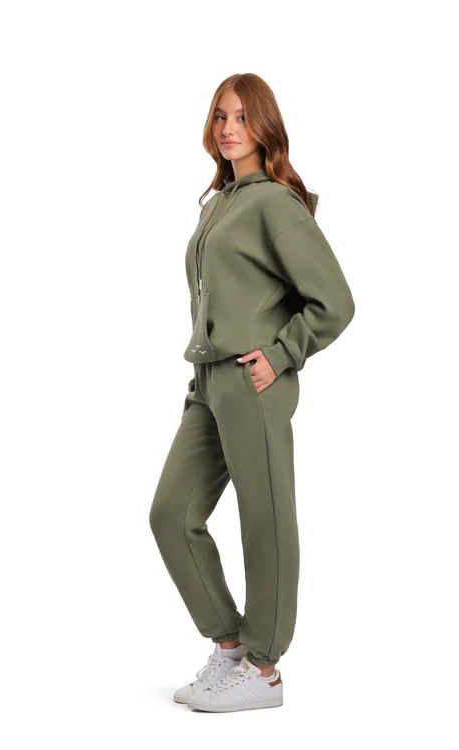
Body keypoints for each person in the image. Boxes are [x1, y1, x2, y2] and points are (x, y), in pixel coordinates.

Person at [149, 73, 355, 712]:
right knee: (171, 514)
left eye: (241, 116)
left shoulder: (273, 203)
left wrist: (283, 354)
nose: (228, 128)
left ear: (264, 126)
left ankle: (264, 669)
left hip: (254, 379)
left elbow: (335, 302)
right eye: (220, 116)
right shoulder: (220, 204)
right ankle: (231, 644)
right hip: (209, 379)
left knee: (264, 519)